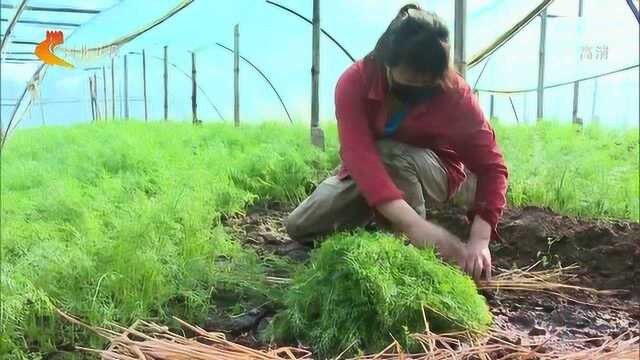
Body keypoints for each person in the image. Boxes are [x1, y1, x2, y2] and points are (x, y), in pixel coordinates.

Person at [285, 4, 508, 282]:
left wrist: (479, 239)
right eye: (408, 82)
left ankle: (411, 256)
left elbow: (491, 167)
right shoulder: (355, 82)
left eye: (426, 84)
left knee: (390, 153)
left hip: (434, 170)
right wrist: (415, 224)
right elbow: (359, 156)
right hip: (370, 172)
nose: (417, 91)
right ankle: (385, 221)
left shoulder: (453, 92)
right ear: (386, 62)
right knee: (301, 226)